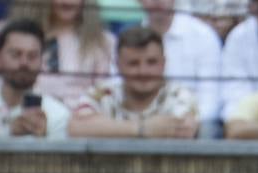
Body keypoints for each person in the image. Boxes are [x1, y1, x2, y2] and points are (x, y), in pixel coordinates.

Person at [67, 25, 199, 138]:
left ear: (163, 63)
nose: (143, 71)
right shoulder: (102, 92)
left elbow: (184, 131)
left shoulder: (180, 95)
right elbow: (76, 127)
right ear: (117, 65)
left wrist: (107, 128)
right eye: (133, 63)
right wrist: (142, 129)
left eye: (152, 62)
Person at [9, 0, 115, 110]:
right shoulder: (19, 37)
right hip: (30, 112)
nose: (67, 2)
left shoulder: (103, 41)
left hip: (81, 117)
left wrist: (84, 107)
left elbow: (105, 89)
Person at [140, 0, 222, 135]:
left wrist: (187, 122)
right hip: (146, 125)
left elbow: (210, 100)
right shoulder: (129, 39)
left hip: (194, 125)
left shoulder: (203, 35)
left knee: (208, 129)